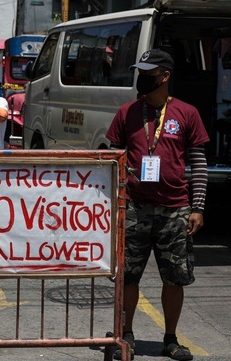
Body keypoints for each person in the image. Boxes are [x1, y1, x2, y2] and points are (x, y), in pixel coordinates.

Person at [106, 49, 209, 361]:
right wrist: (113, 203)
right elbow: (113, 159)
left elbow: (198, 163)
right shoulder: (127, 112)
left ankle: (171, 338)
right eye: (141, 70)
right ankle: (126, 336)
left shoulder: (187, 113)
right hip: (134, 207)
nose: (143, 77)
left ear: (164, 76)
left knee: (174, 278)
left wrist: (198, 207)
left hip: (175, 209)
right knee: (128, 277)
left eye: (149, 72)